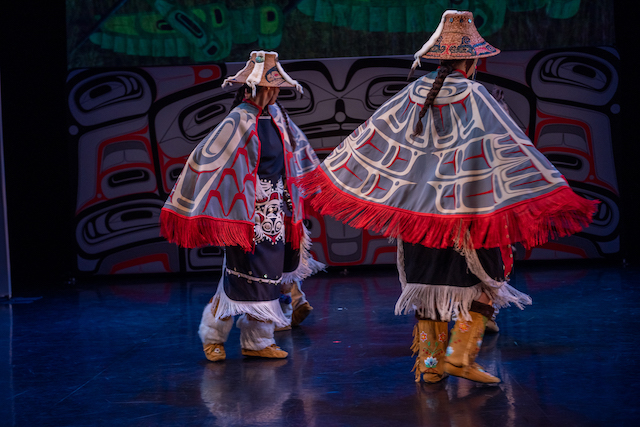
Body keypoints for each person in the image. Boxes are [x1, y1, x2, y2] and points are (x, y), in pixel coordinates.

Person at [295, 11, 598, 383]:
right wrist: (552, 187)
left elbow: (369, 139)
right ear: (472, 61)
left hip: (419, 218)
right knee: (490, 283)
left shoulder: (413, 93)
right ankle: (458, 356)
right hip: (462, 217)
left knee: (428, 291)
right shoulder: (475, 95)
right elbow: (509, 147)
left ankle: (431, 365)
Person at [160, 50, 323, 360]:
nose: (276, 92)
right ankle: (213, 337)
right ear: (255, 89)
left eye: (277, 87)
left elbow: (295, 157)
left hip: (273, 212)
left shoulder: (277, 117)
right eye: (270, 87)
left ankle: (258, 341)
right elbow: (205, 159)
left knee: (268, 278)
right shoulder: (238, 120)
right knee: (236, 278)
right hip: (244, 215)